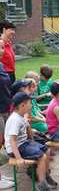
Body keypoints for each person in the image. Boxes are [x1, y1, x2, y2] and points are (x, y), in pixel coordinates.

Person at [5, 92, 57, 191]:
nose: (31, 105)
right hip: (15, 148)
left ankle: (45, 175)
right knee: (42, 156)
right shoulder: (15, 120)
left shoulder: (21, 115)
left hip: (24, 143)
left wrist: (33, 142)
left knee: (46, 150)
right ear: (22, 105)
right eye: (30, 103)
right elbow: (12, 140)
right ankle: (42, 184)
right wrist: (19, 158)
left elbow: (28, 128)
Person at [0, 37, 14, 189]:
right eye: (0, 47)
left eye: (3, 48)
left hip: (5, 108)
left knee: (2, 142)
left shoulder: (1, 66)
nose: (2, 51)